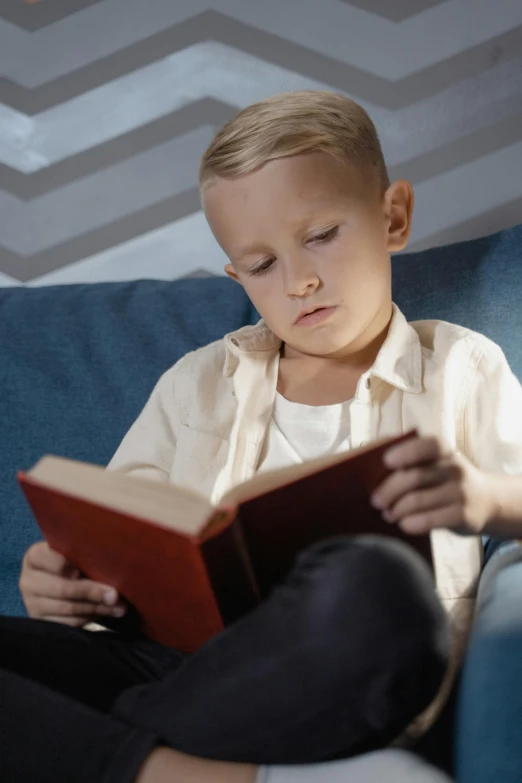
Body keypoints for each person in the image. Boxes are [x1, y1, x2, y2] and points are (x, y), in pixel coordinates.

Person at [2, 91, 522, 783]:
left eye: (320, 235)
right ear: (235, 274)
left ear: (393, 215)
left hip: (339, 661)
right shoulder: (197, 383)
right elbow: (125, 538)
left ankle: (98, 748)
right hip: (178, 664)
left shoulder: (460, 364)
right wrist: (64, 585)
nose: (300, 280)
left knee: (379, 579)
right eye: (260, 264)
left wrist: (482, 496)